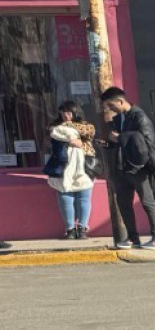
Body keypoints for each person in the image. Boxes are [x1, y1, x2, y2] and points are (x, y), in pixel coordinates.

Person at [97, 86, 155, 250]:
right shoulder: (120, 118)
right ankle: (133, 238)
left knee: (147, 202)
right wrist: (108, 144)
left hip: (138, 167)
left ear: (120, 101)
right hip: (121, 167)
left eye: (111, 105)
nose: (110, 109)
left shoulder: (139, 117)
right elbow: (122, 142)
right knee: (123, 202)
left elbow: (147, 144)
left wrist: (121, 137)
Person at [44, 101, 97, 239]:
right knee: (65, 200)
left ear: (75, 112)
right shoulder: (55, 128)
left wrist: (74, 139)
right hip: (63, 168)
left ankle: (82, 228)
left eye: (68, 112)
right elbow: (54, 136)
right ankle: (70, 229)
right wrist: (70, 140)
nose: (65, 115)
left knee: (84, 199)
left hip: (84, 168)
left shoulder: (86, 127)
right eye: (63, 112)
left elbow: (88, 137)